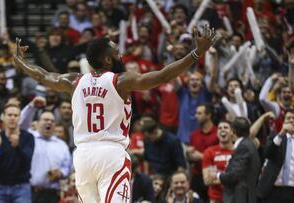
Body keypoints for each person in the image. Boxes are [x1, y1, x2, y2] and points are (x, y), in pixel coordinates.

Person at [13, 24, 216, 202]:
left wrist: (21, 62)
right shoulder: (120, 81)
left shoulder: (74, 81)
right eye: (117, 51)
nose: (121, 54)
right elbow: (163, 76)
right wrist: (197, 53)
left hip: (82, 155)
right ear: (109, 60)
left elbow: (44, 76)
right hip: (110, 153)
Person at [19, 96, 72, 203]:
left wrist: (61, 173)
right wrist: (32, 106)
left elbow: (67, 167)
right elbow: (20, 126)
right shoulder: (29, 137)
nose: (49, 122)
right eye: (46, 120)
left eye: (52, 121)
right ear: (38, 123)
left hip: (52, 194)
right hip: (29, 192)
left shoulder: (61, 145)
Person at [0, 104, 35, 203]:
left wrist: (17, 146)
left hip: (21, 187)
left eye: (16, 115)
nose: (12, 118)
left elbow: (27, 161)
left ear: (20, 118)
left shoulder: (27, 137)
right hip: (1, 187)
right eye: (9, 115)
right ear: (3, 117)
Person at [208, 117, 260, 203]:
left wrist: (217, 175)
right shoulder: (248, 144)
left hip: (241, 197)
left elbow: (234, 175)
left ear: (233, 131)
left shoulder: (243, 147)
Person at [256, 109, 294, 203]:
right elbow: (267, 153)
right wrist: (281, 134)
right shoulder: (275, 136)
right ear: (283, 121)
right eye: (288, 118)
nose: (292, 120)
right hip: (273, 189)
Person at [202, 120, 234, 203]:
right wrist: (230, 178)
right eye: (220, 128)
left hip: (235, 197)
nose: (222, 130)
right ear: (217, 133)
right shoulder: (209, 152)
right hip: (216, 199)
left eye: (226, 127)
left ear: (232, 132)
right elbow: (207, 180)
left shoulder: (238, 151)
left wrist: (217, 175)